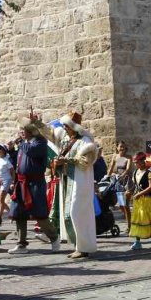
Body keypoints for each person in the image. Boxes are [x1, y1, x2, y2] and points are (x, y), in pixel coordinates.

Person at [44, 111, 98, 259]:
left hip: (80, 182)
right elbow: (49, 134)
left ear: (73, 126)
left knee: (76, 212)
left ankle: (84, 246)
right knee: (68, 214)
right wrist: (36, 123)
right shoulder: (65, 139)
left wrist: (66, 161)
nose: (64, 129)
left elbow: (86, 161)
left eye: (66, 126)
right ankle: (78, 246)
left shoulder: (85, 141)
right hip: (68, 180)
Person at [8, 115, 60, 254]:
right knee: (19, 213)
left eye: (23, 130)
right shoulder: (24, 144)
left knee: (39, 213)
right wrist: (12, 151)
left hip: (35, 183)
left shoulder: (40, 142)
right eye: (20, 130)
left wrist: (20, 144)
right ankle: (21, 244)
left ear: (30, 131)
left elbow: (32, 152)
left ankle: (54, 238)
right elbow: (17, 163)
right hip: (21, 183)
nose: (20, 132)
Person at [128, 152, 151, 250]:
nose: (135, 164)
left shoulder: (150, 170)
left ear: (142, 161)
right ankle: (137, 242)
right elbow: (135, 185)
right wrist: (130, 191)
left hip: (148, 200)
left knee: (150, 219)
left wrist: (139, 194)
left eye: (137, 162)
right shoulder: (135, 171)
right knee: (137, 220)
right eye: (135, 162)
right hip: (138, 202)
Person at [107, 140, 133, 231]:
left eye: (123, 147)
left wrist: (122, 175)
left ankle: (129, 226)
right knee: (121, 205)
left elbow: (128, 168)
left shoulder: (129, 157)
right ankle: (130, 219)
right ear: (117, 148)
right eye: (120, 146)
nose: (122, 148)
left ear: (125, 148)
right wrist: (107, 176)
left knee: (126, 205)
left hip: (127, 183)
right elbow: (111, 167)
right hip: (119, 183)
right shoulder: (115, 156)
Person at [0, 144, 14, 218]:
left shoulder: (7, 160)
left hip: (7, 180)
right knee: (0, 200)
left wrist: (12, 182)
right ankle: (11, 213)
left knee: (1, 199)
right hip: (0, 181)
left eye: (1, 149)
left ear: (4, 151)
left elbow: (12, 171)